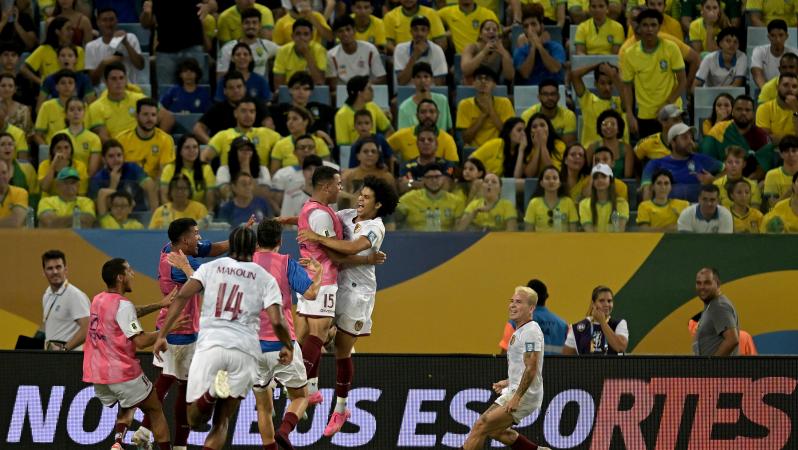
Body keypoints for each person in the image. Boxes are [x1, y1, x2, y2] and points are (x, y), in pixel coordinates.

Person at [153, 226, 290, 450]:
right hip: (244, 353)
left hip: (210, 348)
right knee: (221, 421)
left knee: (194, 419)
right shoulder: (265, 278)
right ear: (253, 248)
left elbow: (181, 297)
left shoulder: (210, 268)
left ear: (231, 246)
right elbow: (277, 320)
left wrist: (162, 334)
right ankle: (216, 393)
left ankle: (209, 394)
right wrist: (287, 346)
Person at [297, 175, 398, 436]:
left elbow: (351, 247)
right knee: (314, 333)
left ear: (378, 205)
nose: (360, 199)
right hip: (335, 284)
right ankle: (312, 390)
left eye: (366, 197)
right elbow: (322, 220)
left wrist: (317, 238)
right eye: (360, 194)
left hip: (359, 294)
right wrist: (290, 222)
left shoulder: (376, 227)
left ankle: (340, 409)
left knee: (342, 350)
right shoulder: (347, 214)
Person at [133, 217, 232, 449]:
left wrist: (238, 238)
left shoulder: (171, 248)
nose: (199, 237)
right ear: (185, 240)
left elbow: (210, 248)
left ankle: (145, 431)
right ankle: (173, 442)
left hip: (171, 328)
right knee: (179, 386)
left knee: (168, 381)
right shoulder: (178, 265)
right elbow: (209, 281)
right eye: (196, 234)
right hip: (181, 330)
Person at [83, 258, 175, 450]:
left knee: (129, 401)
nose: (132, 274)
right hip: (122, 372)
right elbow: (140, 341)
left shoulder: (98, 300)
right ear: (120, 277)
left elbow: (129, 314)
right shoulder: (123, 306)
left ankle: (117, 443)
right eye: (129, 271)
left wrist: (160, 304)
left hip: (97, 375)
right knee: (155, 408)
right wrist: (168, 328)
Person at [252, 219, 323, 449]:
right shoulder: (286, 263)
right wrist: (318, 272)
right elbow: (311, 294)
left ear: (257, 241)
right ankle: (285, 430)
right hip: (283, 345)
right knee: (302, 396)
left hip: (251, 347)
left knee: (263, 407)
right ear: (280, 241)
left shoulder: (245, 263)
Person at [463, 286, 544, 450]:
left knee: (481, 425)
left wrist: (517, 397)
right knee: (494, 431)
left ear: (531, 308)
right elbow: (524, 367)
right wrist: (508, 382)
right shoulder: (519, 330)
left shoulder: (531, 331)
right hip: (515, 390)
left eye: (519, 302)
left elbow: (531, 368)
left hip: (525, 395)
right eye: (512, 301)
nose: (512, 305)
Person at [294, 166, 344, 405]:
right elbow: (332, 250)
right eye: (338, 184)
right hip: (322, 280)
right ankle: (296, 382)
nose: (340, 188)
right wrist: (360, 259)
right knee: (319, 334)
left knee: (304, 336)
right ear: (326, 187)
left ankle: (311, 389)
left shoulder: (310, 208)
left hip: (308, 276)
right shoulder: (321, 214)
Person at [621, 9, 687, 139]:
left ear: (659, 27)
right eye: (645, 25)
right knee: (649, 155)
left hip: (671, 112)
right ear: (639, 27)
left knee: (675, 153)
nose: (649, 29)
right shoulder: (629, 53)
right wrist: (629, 113)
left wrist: (667, 103)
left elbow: (682, 81)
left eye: (653, 25)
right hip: (645, 115)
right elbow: (627, 86)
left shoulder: (671, 48)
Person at [89, 62, 174, 141]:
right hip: (116, 152)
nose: (118, 82)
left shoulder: (140, 99)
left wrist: (156, 140)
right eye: (113, 79)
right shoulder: (96, 107)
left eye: (121, 78)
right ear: (105, 81)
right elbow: (103, 137)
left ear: (126, 79)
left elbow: (167, 118)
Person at [642, 123, 723, 202]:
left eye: (691, 138)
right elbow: (647, 190)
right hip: (669, 211)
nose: (690, 142)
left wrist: (713, 180)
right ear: (673, 143)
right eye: (685, 138)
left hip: (699, 210)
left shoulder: (701, 159)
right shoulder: (656, 164)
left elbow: (728, 171)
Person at [193, 71, 271, 144]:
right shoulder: (217, 108)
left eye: (239, 87)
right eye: (231, 88)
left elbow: (269, 125)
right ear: (225, 91)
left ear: (245, 88)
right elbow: (198, 128)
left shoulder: (257, 105)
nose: (236, 90)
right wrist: (212, 144)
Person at [700, 95, 771, 173]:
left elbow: (763, 166)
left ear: (753, 114)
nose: (743, 113)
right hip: (720, 179)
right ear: (732, 112)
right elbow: (706, 157)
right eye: (739, 109)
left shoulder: (760, 135)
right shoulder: (719, 129)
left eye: (747, 110)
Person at [204, 97, 281, 167]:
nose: (248, 115)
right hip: (231, 178)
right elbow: (204, 158)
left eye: (252, 111)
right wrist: (211, 178)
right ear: (235, 113)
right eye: (243, 111)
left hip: (260, 179)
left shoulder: (266, 133)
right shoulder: (223, 135)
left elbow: (287, 144)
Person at [499, 280, 568, 355]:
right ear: (546, 297)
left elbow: (504, 356)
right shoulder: (562, 325)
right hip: (556, 366)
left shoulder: (515, 323)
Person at [90, 138, 158, 214]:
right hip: (113, 219)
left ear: (124, 156)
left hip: (138, 215)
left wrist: (154, 214)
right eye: (111, 156)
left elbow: (149, 184)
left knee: (150, 182)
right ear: (104, 159)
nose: (116, 159)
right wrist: (113, 185)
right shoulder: (98, 179)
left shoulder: (133, 168)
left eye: (119, 155)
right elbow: (101, 209)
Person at [39, 249, 90, 351]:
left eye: (58, 267)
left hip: (70, 359)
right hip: (54, 359)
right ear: (44, 272)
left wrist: (64, 349)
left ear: (65, 269)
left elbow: (88, 328)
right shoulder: (47, 295)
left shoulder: (74, 295)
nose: (55, 272)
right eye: (50, 268)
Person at [115, 97, 176, 180]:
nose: (150, 119)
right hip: (127, 185)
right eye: (145, 114)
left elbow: (164, 173)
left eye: (153, 115)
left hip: (154, 186)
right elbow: (116, 169)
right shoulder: (121, 139)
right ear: (136, 116)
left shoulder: (166, 140)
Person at [395, 163, 465, 231]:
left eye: (437, 177)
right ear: (423, 180)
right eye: (429, 177)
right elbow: (392, 218)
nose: (434, 180)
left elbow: (459, 230)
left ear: (443, 179)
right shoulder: (409, 198)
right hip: (415, 240)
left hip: (446, 240)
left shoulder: (456, 201)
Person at [84, 7, 145, 86]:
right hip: (104, 91)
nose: (109, 24)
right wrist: (104, 63)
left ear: (117, 21)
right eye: (105, 20)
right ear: (98, 22)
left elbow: (140, 66)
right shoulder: (91, 46)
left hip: (130, 88)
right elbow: (93, 82)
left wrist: (126, 43)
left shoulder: (130, 37)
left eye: (111, 19)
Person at [457, 66, 514, 148]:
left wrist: (491, 111)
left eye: (487, 79)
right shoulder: (464, 104)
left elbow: (508, 134)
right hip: (475, 150)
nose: (483, 81)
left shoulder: (505, 103)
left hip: (498, 148)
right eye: (479, 78)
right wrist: (483, 115)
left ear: (494, 85)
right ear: (474, 83)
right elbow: (466, 139)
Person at [572, 62, 626, 147]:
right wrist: (597, 65)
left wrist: (613, 75)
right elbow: (575, 75)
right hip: (590, 152)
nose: (607, 88)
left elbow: (625, 91)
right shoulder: (587, 99)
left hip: (615, 153)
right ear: (595, 84)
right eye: (603, 83)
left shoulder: (620, 101)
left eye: (610, 83)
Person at [216, 7, 279, 80]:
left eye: (254, 23)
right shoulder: (227, 49)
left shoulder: (267, 46)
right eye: (247, 23)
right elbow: (220, 79)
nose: (251, 26)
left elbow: (287, 51)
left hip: (260, 89)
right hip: (236, 89)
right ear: (241, 25)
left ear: (260, 26)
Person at [563, 285, 628, 355]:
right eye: (601, 301)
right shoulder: (576, 328)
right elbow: (566, 360)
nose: (606, 304)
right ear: (593, 304)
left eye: (609, 301)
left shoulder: (619, 324)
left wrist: (602, 322)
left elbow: (620, 347)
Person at [390, 99, 458, 165]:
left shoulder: (447, 139)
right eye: (423, 112)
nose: (428, 115)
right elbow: (383, 149)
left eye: (432, 112)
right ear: (417, 115)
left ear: (438, 114)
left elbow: (453, 167)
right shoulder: (402, 135)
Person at [326, 15, 386, 89]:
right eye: (340, 31)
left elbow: (381, 78)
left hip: (366, 89)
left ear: (354, 30)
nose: (345, 34)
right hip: (344, 92)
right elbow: (333, 85)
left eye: (348, 30)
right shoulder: (331, 55)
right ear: (336, 35)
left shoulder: (370, 49)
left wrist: (362, 87)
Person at [268, 71, 335, 137]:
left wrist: (333, 140)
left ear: (311, 92)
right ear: (290, 90)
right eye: (297, 88)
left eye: (305, 89)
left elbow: (340, 116)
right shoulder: (280, 109)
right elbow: (260, 109)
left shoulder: (320, 108)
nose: (301, 92)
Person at [21, 17, 85, 85]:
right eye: (68, 29)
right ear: (57, 31)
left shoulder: (79, 50)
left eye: (72, 29)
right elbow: (23, 69)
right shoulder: (43, 49)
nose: (71, 32)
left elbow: (80, 75)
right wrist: (41, 82)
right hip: (48, 92)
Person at [513, 4, 565, 86]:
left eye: (533, 24)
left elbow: (555, 68)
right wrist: (533, 47)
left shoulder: (556, 47)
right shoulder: (520, 51)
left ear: (541, 26)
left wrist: (540, 47)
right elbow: (525, 74)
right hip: (529, 92)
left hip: (553, 92)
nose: (530, 30)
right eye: (526, 26)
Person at [160, 134, 215, 210]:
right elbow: (164, 198)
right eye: (187, 147)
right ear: (180, 151)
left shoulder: (206, 169)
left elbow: (210, 201)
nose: (192, 150)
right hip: (174, 214)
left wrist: (207, 217)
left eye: (195, 147)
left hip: (199, 215)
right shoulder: (169, 169)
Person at [335, 76, 394, 146]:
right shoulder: (341, 115)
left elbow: (389, 130)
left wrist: (381, 147)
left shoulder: (372, 106)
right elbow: (343, 146)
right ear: (360, 93)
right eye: (369, 88)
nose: (372, 90)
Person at [693, 267, 739, 356]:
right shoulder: (711, 306)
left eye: (707, 283)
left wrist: (712, 366)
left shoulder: (719, 306)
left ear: (717, 284)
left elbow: (732, 340)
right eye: (699, 283)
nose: (702, 287)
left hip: (717, 369)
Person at [270, 107, 331, 173]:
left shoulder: (319, 143)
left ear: (305, 122)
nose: (290, 122)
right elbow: (274, 174)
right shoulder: (280, 144)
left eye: (295, 119)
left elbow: (327, 170)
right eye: (288, 119)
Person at [52, 97, 102, 176]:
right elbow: (52, 163)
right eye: (71, 110)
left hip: (83, 181)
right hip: (61, 180)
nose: (76, 113)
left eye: (79, 109)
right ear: (66, 113)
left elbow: (92, 171)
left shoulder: (94, 138)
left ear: (84, 112)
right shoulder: (57, 136)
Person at [216, 135, 273, 204]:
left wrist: (246, 167)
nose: (246, 152)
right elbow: (228, 196)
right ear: (234, 153)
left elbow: (264, 196)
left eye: (249, 149)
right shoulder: (223, 170)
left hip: (257, 210)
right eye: (241, 149)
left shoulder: (263, 170)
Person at [341, 137, 395, 206]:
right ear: (358, 156)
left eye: (373, 151)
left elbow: (393, 202)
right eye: (365, 151)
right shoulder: (347, 175)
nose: (370, 154)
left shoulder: (387, 177)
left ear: (378, 155)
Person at [273, 19, 328, 88]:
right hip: (289, 94)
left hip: (313, 94)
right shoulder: (283, 51)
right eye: (298, 34)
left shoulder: (319, 50)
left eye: (306, 34)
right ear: (292, 36)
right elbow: (278, 85)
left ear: (311, 37)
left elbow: (320, 82)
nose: (302, 38)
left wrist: (306, 53)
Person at [524, 165, 579, 231]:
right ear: (541, 183)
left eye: (555, 178)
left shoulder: (568, 202)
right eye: (547, 178)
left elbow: (574, 232)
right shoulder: (534, 203)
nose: (551, 181)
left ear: (559, 183)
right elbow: (528, 232)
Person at [521, 79, 577, 145]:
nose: (549, 98)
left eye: (553, 94)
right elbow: (526, 144)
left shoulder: (569, 116)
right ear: (539, 97)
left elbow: (567, 147)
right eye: (545, 94)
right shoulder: (527, 115)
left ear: (558, 97)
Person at [34, 69, 82, 146]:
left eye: (70, 83)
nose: (67, 86)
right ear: (56, 87)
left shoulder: (83, 106)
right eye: (63, 83)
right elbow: (37, 135)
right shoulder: (47, 106)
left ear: (75, 87)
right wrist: (48, 150)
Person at [383, 0, 447, 55]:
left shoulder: (431, 13)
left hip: (429, 57)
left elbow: (442, 42)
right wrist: (402, 55)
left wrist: (429, 55)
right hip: (402, 59)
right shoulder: (389, 17)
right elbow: (388, 44)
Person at [459, 19, 514, 84]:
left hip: (493, 87)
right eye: (487, 29)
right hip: (472, 86)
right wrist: (484, 52)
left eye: (494, 30)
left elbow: (510, 76)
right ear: (480, 35)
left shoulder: (502, 51)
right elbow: (466, 70)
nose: (491, 31)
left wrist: (504, 53)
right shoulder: (471, 48)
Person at [579, 163, 629, 232]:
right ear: (592, 182)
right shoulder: (584, 204)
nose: (600, 180)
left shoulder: (621, 203)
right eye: (596, 177)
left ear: (610, 180)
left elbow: (620, 230)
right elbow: (589, 231)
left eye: (604, 177)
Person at [751, 20, 798, 90]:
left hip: (790, 90)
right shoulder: (759, 51)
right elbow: (757, 75)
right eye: (773, 35)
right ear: (768, 37)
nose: (777, 39)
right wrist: (767, 92)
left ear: (786, 36)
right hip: (765, 89)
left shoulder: (795, 53)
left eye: (781, 35)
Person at [272, 154, 323, 219]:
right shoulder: (291, 195)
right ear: (303, 172)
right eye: (309, 169)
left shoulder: (328, 196)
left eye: (316, 169)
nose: (312, 173)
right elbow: (286, 222)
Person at [587, 109, 632, 177]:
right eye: (604, 124)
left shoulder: (627, 149)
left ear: (618, 128)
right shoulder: (592, 148)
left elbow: (628, 176)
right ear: (600, 127)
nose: (608, 127)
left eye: (612, 124)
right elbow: (586, 173)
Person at [520, 113, 567, 178]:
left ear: (548, 128)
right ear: (530, 132)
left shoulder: (559, 144)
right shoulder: (526, 145)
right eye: (534, 127)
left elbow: (551, 173)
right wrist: (537, 147)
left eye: (542, 125)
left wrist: (543, 145)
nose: (539, 129)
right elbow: (529, 174)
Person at [763, 135, 798, 209]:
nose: (790, 154)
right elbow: (772, 206)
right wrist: (791, 190)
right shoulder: (771, 175)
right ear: (781, 154)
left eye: (794, 151)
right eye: (786, 151)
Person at [0, 158, 27, 227]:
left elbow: (16, 222)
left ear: (9, 174)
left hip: (15, 237)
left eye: (4, 172)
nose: (1, 177)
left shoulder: (20, 192)